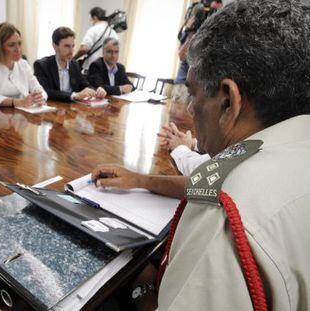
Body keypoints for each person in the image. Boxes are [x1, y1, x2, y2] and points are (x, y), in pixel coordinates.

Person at [92, 0, 310, 309]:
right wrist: (139, 179)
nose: (190, 108)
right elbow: (210, 182)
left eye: (193, 94)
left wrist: (142, 287)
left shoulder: (223, 222)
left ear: (227, 101)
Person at [0, 23, 47, 107]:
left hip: (21, 114)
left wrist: (40, 98)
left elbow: (40, 90)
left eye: (19, 43)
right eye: (11, 45)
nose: (18, 49)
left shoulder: (23, 64)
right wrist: (17, 102)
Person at [34, 26, 106, 102]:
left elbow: (83, 84)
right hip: (51, 108)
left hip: (71, 108)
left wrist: (96, 90)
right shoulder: (42, 65)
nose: (71, 51)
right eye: (67, 46)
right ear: (55, 46)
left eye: (73, 46)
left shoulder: (74, 65)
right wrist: (75, 95)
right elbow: (46, 91)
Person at [74, 7, 119, 73]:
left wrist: (74, 58)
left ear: (95, 17)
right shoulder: (113, 32)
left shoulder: (93, 29)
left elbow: (84, 49)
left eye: (91, 19)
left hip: (92, 67)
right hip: (108, 69)